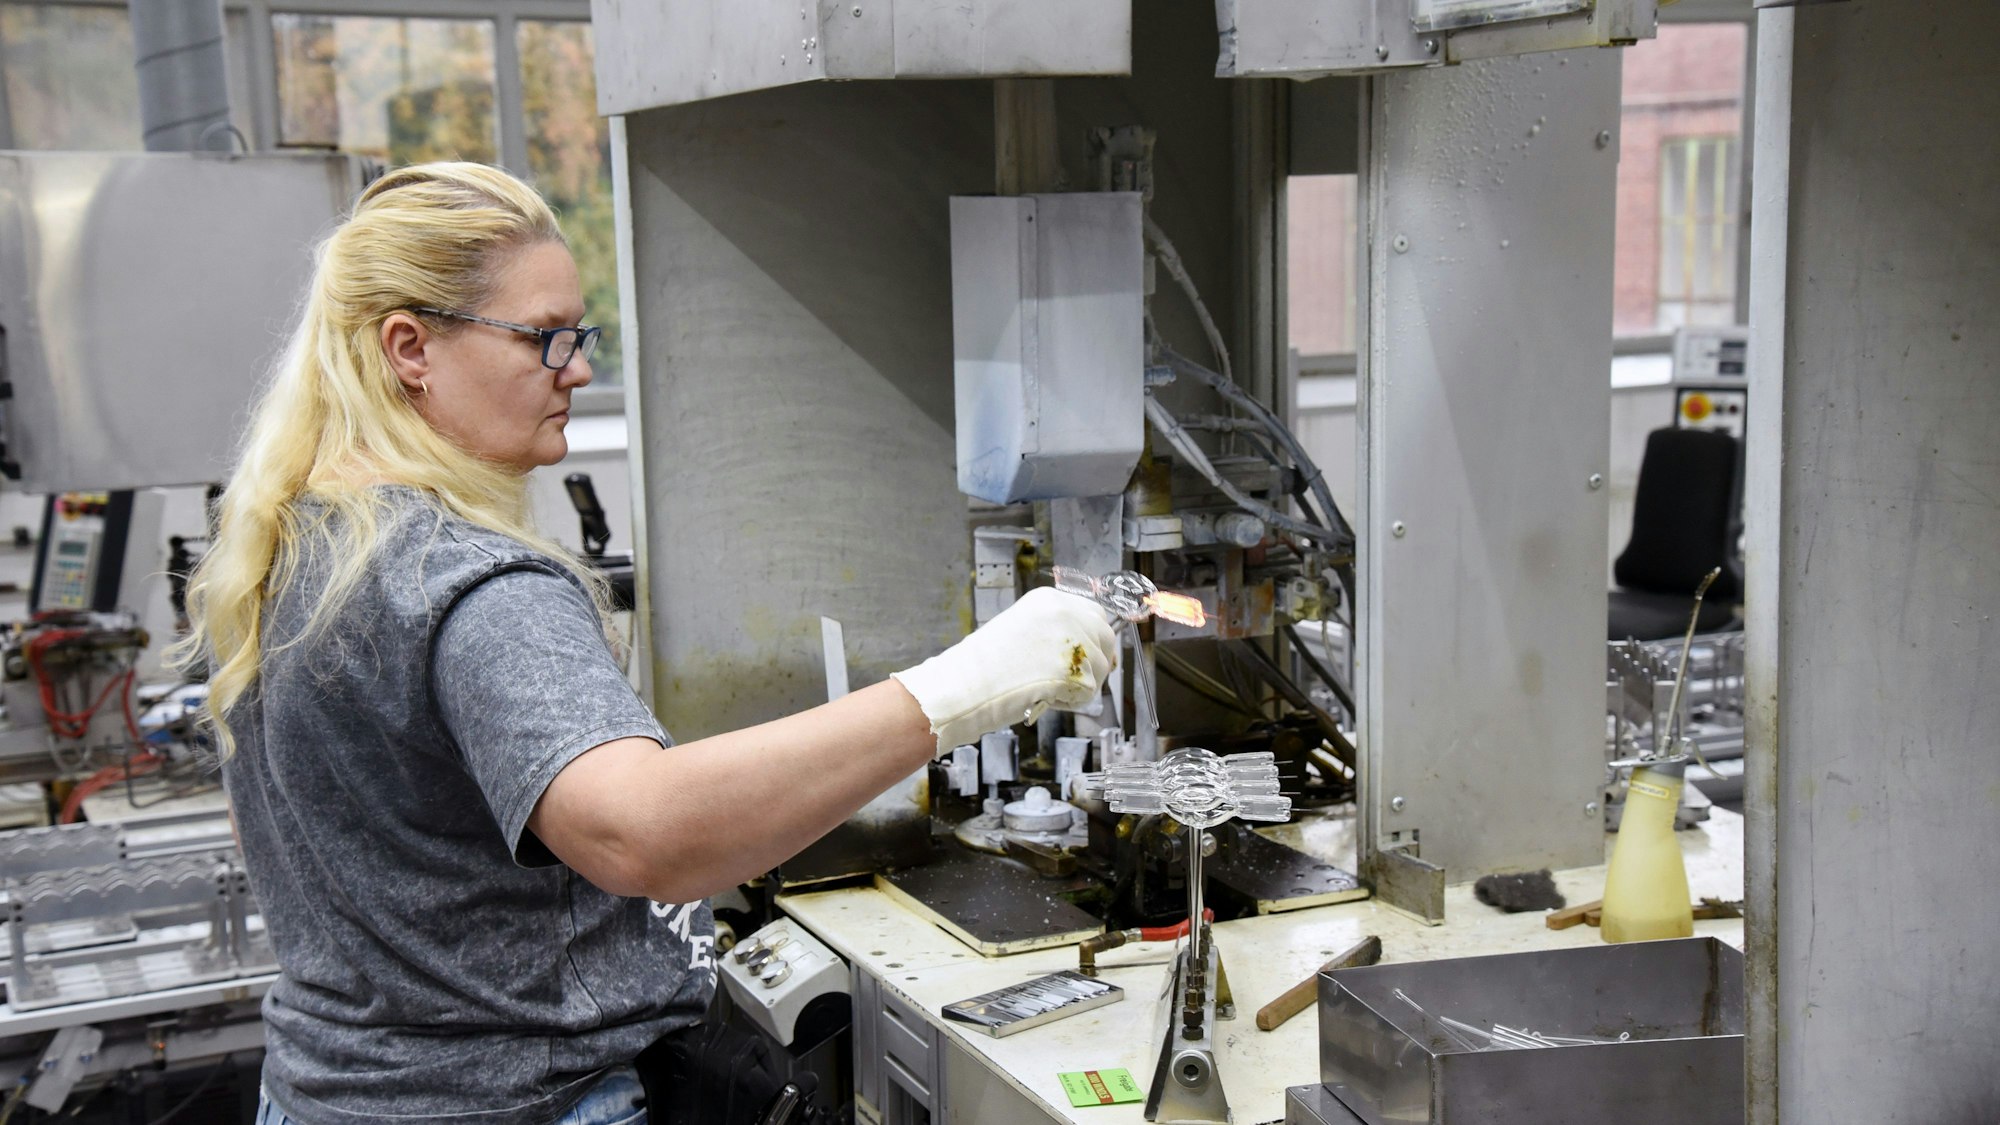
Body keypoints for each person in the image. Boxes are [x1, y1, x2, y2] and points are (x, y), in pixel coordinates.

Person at [174, 162, 1118, 1125]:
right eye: (545, 339)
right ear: (411, 347)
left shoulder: (282, 547)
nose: (577, 369)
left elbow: (304, 848)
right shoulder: (471, 581)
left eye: (577, 337)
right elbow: (646, 832)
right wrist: (978, 683)